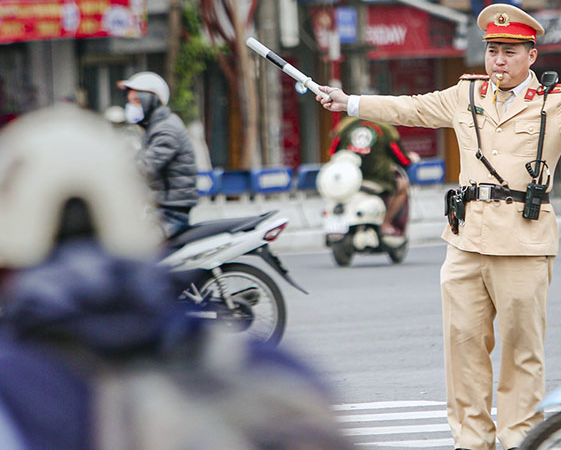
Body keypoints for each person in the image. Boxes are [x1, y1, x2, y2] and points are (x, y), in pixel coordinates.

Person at [315, 3, 561, 450]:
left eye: (509, 52)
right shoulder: (467, 95)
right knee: (462, 349)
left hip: (523, 242)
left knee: (522, 352)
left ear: (531, 55)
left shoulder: (554, 105)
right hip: (466, 243)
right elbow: (412, 109)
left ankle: (520, 439)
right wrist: (351, 102)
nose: (498, 61)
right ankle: (471, 441)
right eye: (492, 50)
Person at [0, 105, 351, 450]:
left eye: (136, 96)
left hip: (175, 212)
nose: (133, 103)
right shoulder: (273, 373)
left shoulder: (16, 393)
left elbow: (151, 166)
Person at [118, 71, 198, 238]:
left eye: (136, 101)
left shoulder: (166, 129)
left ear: (150, 100)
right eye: (130, 101)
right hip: (160, 210)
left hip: (171, 215)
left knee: (134, 251)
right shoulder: (155, 126)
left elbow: (144, 168)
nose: (131, 106)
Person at [329, 116, 417, 236]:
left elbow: (333, 153)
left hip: (348, 179)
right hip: (378, 180)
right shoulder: (385, 129)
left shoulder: (344, 127)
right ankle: (386, 223)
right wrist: (410, 158)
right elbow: (402, 160)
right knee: (402, 186)